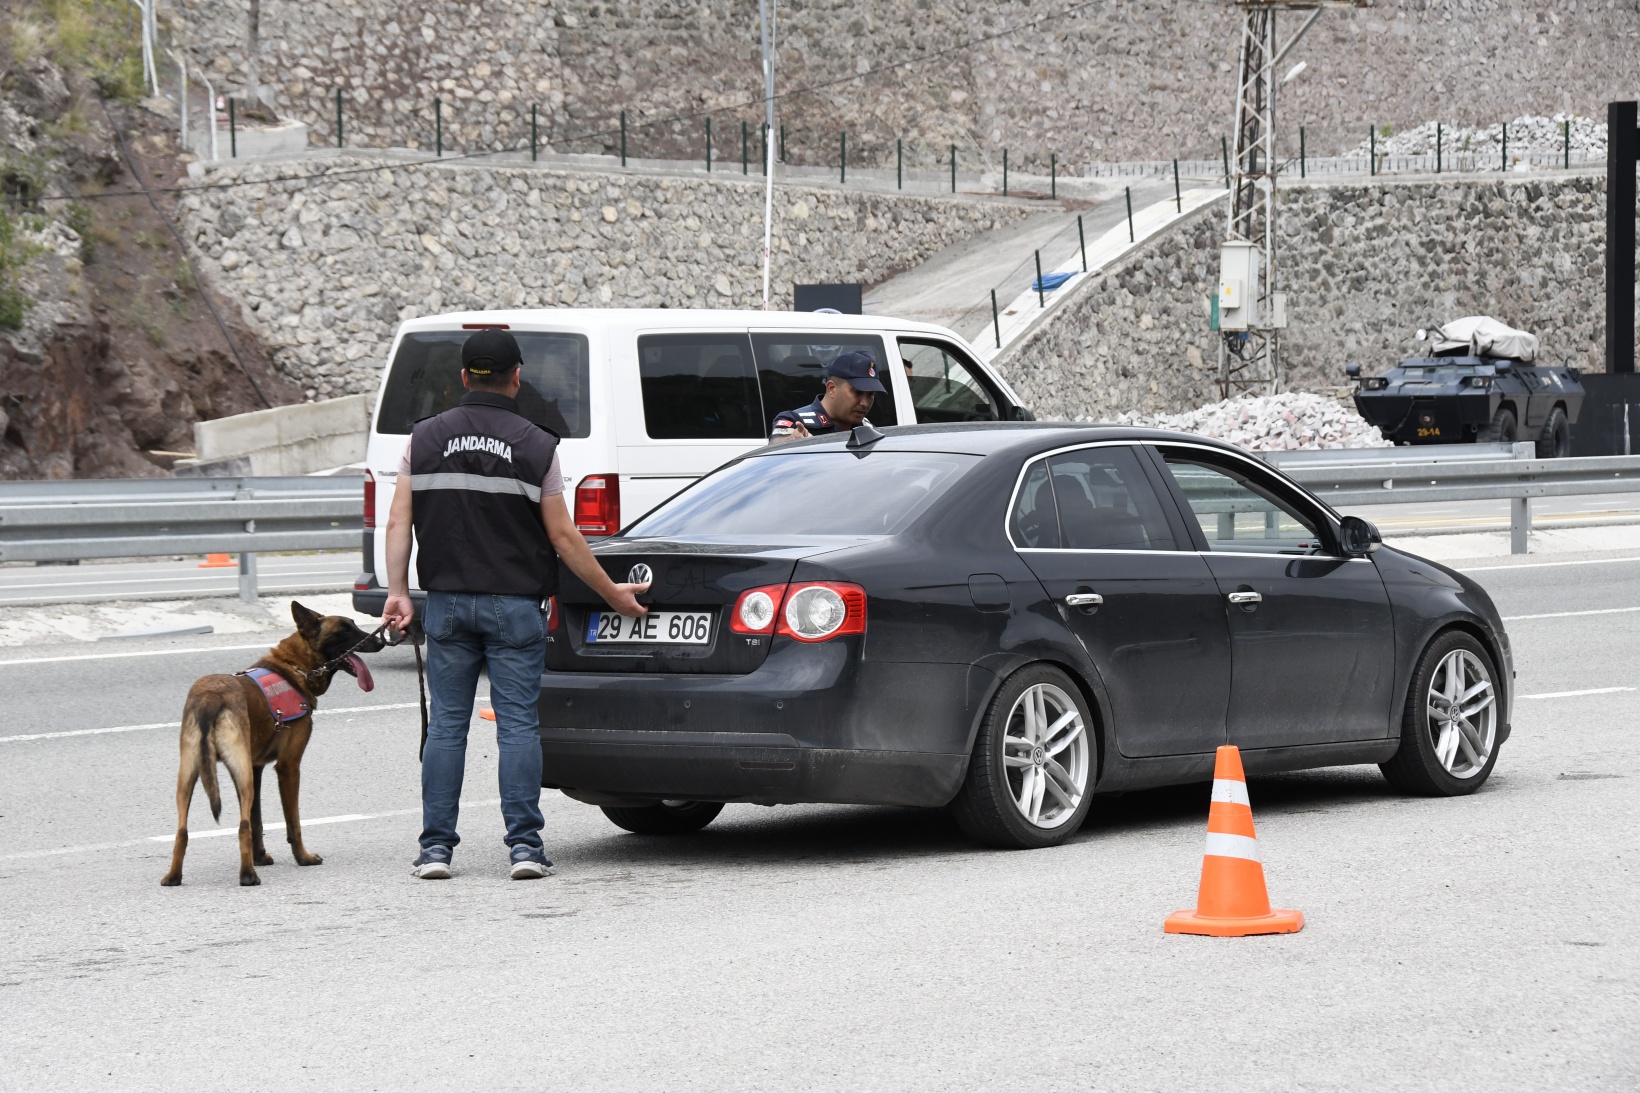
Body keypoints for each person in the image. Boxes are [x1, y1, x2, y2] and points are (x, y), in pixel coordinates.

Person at [382, 329, 647, 881]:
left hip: (448, 605)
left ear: (462, 377)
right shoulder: (538, 445)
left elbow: (398, 520)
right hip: (516, 607)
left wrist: (398, 592)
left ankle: (435, 851)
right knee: (518, 727)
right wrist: (612, 594)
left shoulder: (423, 439)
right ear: (517, 378)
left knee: (448, 727)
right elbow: (565, 538)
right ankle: (525, 849)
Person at [768, 350, 886, 442]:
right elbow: (775, 445)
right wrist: (791, 441)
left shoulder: (867, 427)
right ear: (831, 389)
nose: (864, 403)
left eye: (871, 395)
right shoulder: (795, 420)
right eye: (858, 392)